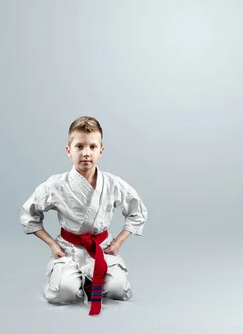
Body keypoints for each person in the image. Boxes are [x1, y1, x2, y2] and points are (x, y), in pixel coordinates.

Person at [20, 116, 148, 316]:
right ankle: (73, 278)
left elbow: (137, 212)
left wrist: (118, 243)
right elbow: (29, 214)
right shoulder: (56, 185)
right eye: (79, 146)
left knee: (118, 289)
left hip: (102, 248)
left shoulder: (113, 184)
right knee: (63, 293)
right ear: (69, 150)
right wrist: (53, 245)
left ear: (101, 150)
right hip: (69, 249)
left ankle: (89, 279)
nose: (86, 153)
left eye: (92, 147)